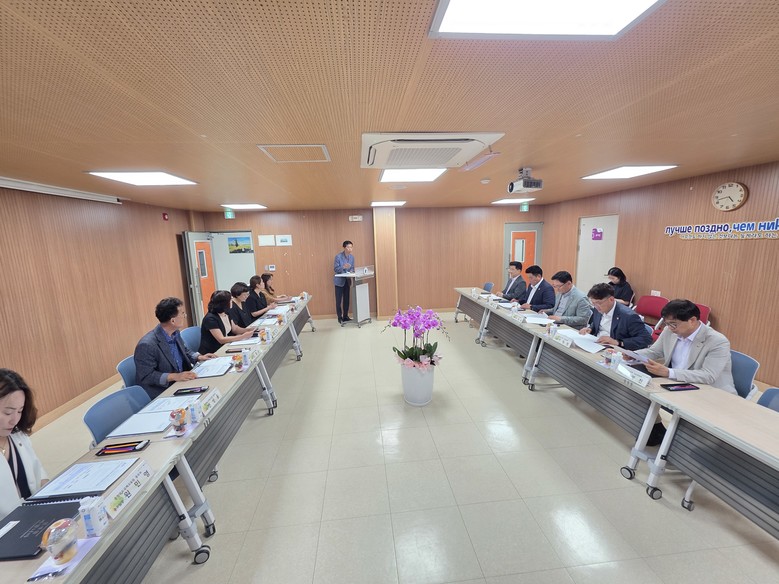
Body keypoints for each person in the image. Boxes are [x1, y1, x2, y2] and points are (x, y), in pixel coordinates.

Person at [636, 299, 736, 445]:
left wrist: (668, 372)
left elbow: (708, 376)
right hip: (679, 384)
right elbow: (654, 351)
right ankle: (657, 432)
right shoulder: (669, 331)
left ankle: (675, 444)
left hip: (710, 391)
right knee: (639, 389)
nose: (669, 328)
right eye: (667, 324)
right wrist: (633, 355)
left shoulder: (717, 341)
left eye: (673, 324)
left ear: (692, 320)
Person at [134, 297, 217, 400]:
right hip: (163, 390)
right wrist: (175, 376)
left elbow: (185, 350)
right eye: (182, 313)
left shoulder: (175, 332)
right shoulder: (147, 345)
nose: (185, 316)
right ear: (173, 321)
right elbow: (147, 376)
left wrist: (199, 357)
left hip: (181, 382)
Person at [0, 369, 48, 520]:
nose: (14, 420)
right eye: (8, 413)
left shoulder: (17, 436)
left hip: (35, 518)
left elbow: (40, 477)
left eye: (19, 411)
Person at [580, 283, 652, 350]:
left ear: (611, 299)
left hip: (615, 350)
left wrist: (618, 342)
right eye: (593, 303)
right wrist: (590, 329)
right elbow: (597, 323)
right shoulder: (598, 309)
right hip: (597, 344)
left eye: (599, 303)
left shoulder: (629, 316)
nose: (596, 307)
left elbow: (646, 339)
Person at [199, 290, 256, 355]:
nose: (232, 302)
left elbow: (235, 329)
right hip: (213, 352)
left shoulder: (226, 312)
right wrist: (242, 336)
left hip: (226, 345)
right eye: (230, 300)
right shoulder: (210, 319)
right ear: (224, 303)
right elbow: (221, 339)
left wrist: (249, 330)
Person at [333, 240, 355, 323]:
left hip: (347, 280)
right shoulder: (338, 257)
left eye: (351, 247)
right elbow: (335, 269)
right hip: (339, 282)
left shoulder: (352, 257)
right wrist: (343, 267)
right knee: (338, 301)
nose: (350, 249)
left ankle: (345, 316)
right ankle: (339, 317)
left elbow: (352, 268)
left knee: (346, 300)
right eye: (348, 247)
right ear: (344, 247)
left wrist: (351, 271)